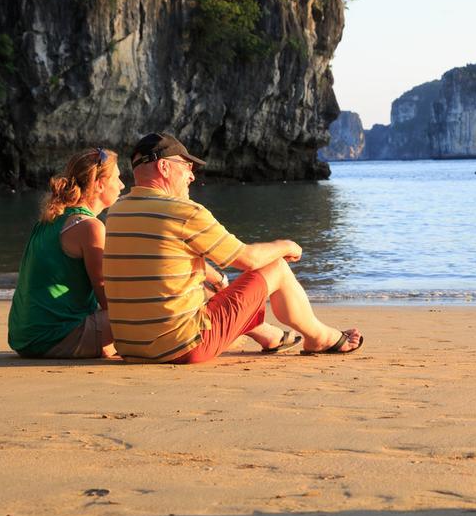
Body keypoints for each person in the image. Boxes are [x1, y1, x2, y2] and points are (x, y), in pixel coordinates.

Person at [103, 132, 363, 364]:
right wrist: (285, 245)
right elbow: (248, 259)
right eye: (187, 166)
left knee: (207, 287)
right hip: (182, 347)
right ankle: (319, 336)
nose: (192, 175)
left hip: (132, 347)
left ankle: (273, 336)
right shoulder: (184, 212)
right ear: (164, 167)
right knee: (277, 267)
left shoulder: (117, 212)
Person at [8, 147, 125, 359]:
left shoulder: (49, 219)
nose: (122, 185)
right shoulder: (91, 227)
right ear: (99, 184)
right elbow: (105, 293)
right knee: (143, 315)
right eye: (117, 178)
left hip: (23, 337)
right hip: (55, 338)